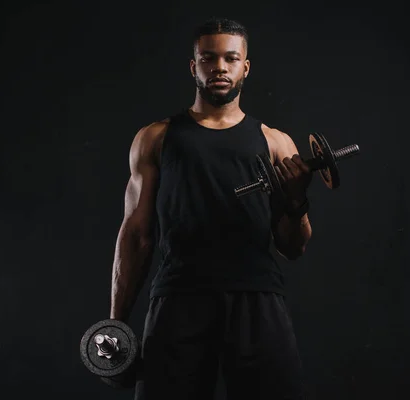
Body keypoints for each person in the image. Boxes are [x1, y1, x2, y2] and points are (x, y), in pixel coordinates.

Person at [109, 17, 312, 400]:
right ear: (194, 65)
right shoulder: (156, 138)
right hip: (179, 297)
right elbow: (136, 234)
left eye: (231, 59)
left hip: (256, 297)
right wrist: (116, 321)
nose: (220, 67)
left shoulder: (277, 143)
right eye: (209, 58)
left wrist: (296, 199)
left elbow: (293, 246)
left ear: (245, 67)